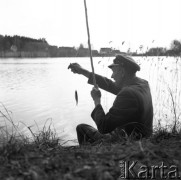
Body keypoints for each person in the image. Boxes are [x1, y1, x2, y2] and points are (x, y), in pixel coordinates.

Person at [68, 54, 153, 145]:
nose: (112, 76)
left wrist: (97, 100)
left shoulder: (127, 94)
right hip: (143, 136)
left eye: (113, 72)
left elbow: (104, 127)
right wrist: (83, 72)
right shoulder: (142, 84)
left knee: (81, 128)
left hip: (129, 142)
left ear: (122, 72)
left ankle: (91, 156)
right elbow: (110, 85)